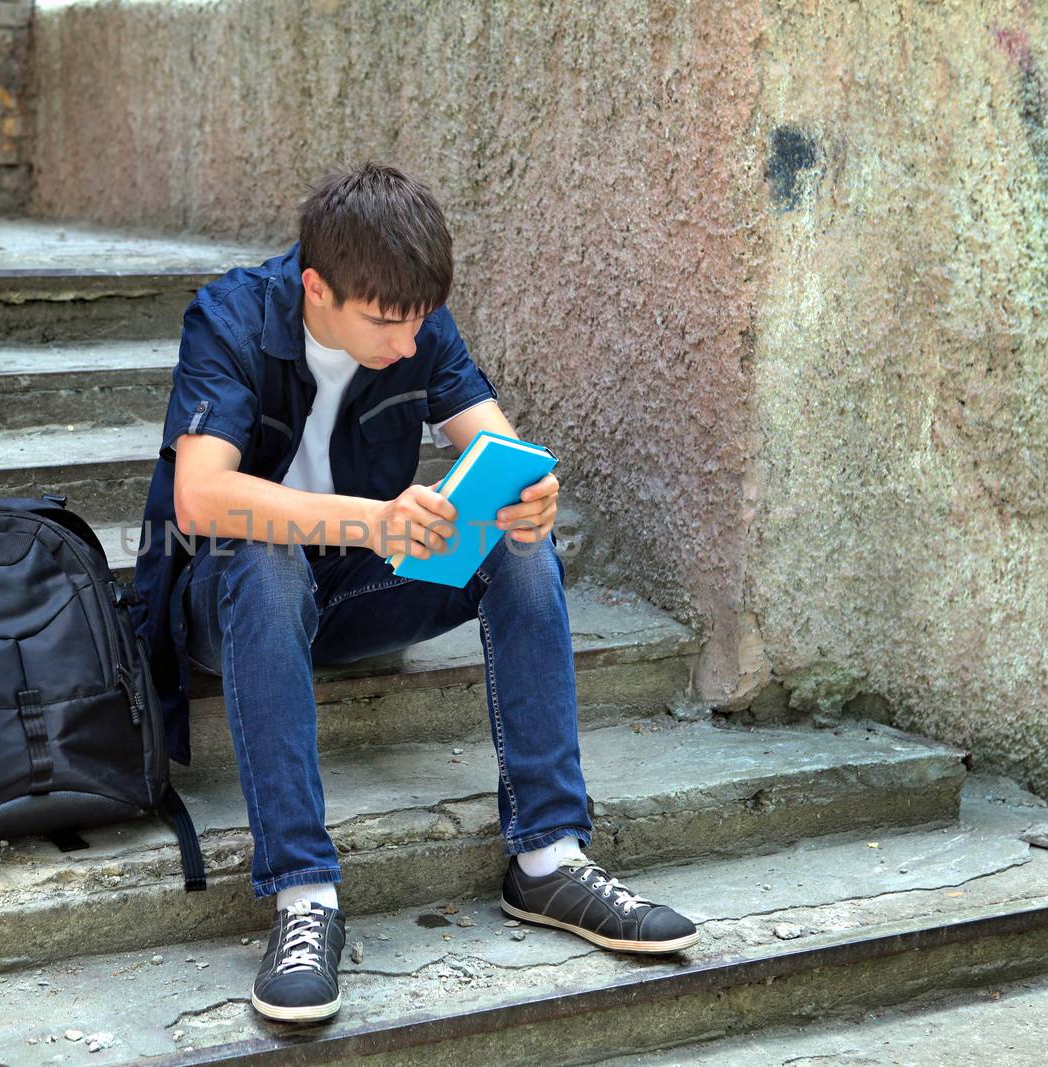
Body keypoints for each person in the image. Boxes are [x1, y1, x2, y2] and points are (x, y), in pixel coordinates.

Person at [130, 161, 699, 1024]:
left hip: (351, 599)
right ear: (317, 287)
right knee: (263, 558)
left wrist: (530, 494)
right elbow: (200, 496)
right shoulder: (231, 317)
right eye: (387, 322)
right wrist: (371, 521)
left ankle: (547, 856)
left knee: (514, 545)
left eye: (421, 319)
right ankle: (303, 895)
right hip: (228, 603)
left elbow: (497, 445)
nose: (408, 341)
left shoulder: (417, 321)